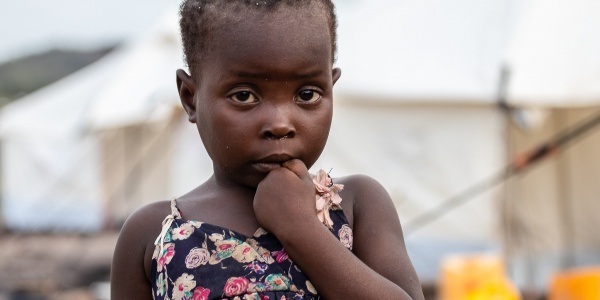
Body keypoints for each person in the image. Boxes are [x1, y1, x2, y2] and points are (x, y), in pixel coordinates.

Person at [111, 1, 424, 299]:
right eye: (245, 96)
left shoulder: (357, 204)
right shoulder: (154, 233)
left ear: (331, 88)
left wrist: (300, 228)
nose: (280, 123)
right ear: (191, 98)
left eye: (306, 93)